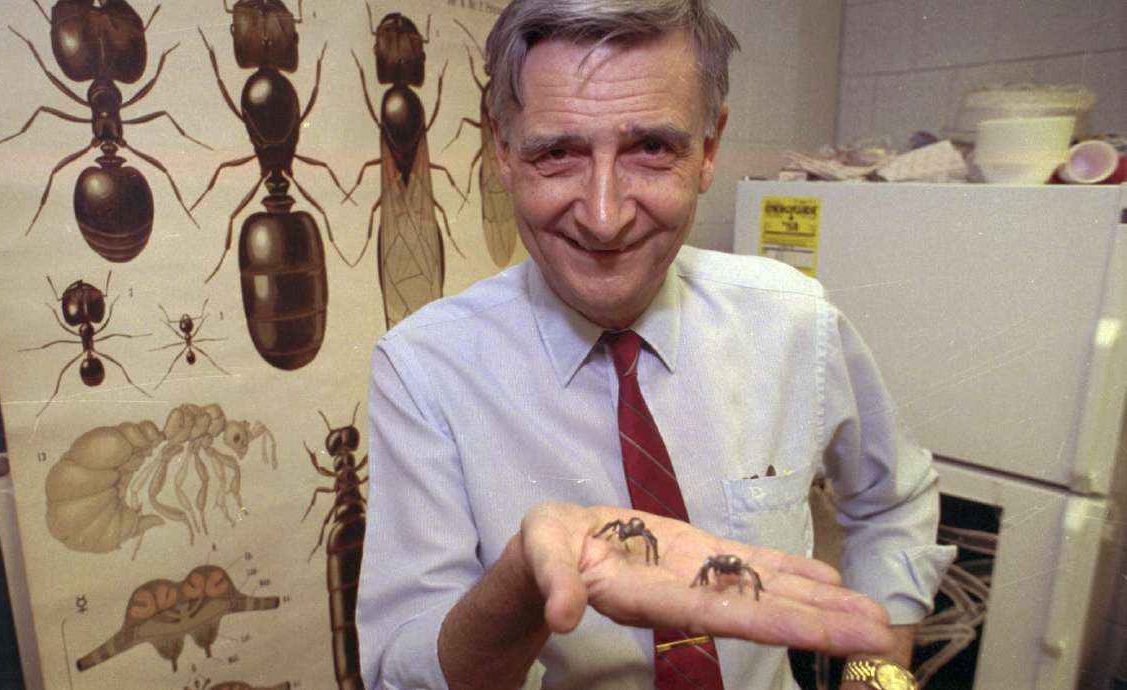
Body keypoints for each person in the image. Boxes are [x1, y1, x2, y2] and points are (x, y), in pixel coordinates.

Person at [357, 1, 955, 688]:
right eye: (557, 152)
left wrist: (877, 674)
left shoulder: (795, 322)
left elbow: (894, 501)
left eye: (652, 148)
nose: (604, 216)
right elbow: (399, 671)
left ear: (708, 150)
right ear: (501, 149)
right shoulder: (424, 369)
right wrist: (523, 578)